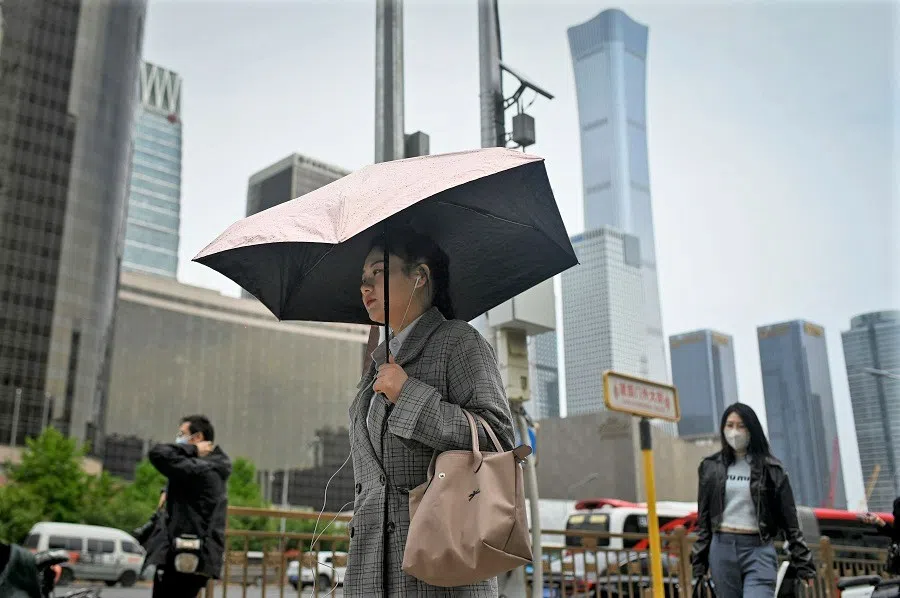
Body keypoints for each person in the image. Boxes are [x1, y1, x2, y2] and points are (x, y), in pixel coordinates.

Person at [344, 227, 516, 597]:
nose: (366, 287)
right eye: (363, 279)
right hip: (373, 573)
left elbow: (499, 440)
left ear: (419, 276)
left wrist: (408, 394)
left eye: (378, 272)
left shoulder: (460, 342)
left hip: (442, 568)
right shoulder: (378, 365)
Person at [692, 403, 816, 598]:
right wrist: (699, 565)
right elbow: (704, 520)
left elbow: (790, 521)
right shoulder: (710, 467)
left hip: (758, 549)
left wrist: (803, 563)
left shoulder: (772, 469)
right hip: (721, 549)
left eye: (741, 426)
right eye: (730, 425)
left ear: (752, 430)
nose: (734, 432)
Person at [147, 415, 232, 598]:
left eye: (182, 434)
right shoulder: (209, 467)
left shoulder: (204, 469)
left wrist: (191, 449)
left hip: (186, 553)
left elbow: (157, 453)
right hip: (188, 552)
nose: (178, 438)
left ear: (198, 437)